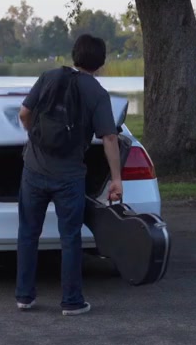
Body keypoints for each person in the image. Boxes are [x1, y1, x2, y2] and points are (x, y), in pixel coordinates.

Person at [14, 34, 124, 317]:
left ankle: (24, 297)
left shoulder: (49, 77)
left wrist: (35, 137)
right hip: (70, 176)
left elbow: (24, 113)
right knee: (70, 237)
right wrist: (116, 178)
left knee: (28, 233)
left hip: (34, 169)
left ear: (74, 55)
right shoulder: (97, 93)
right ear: (100, 63)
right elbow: (110, 137)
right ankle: (71, 301)